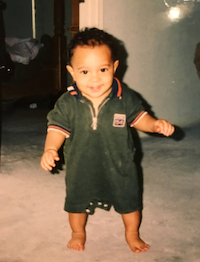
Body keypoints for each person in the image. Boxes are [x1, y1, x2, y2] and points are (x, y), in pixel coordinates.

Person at [40, 27, 175, 253]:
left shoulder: (124, 97)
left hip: (120, 165)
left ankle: (132, 233)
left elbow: (140, 117)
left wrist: (154, 125)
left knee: (129, 201)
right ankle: (78, 232)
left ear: (114, 67)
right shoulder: (67, 102)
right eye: (84, 72)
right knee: (76, 202)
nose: (95, 79)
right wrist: (50, 149)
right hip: (81, 167)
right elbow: (56, 129)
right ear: (72, 72)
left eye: (102, 69)